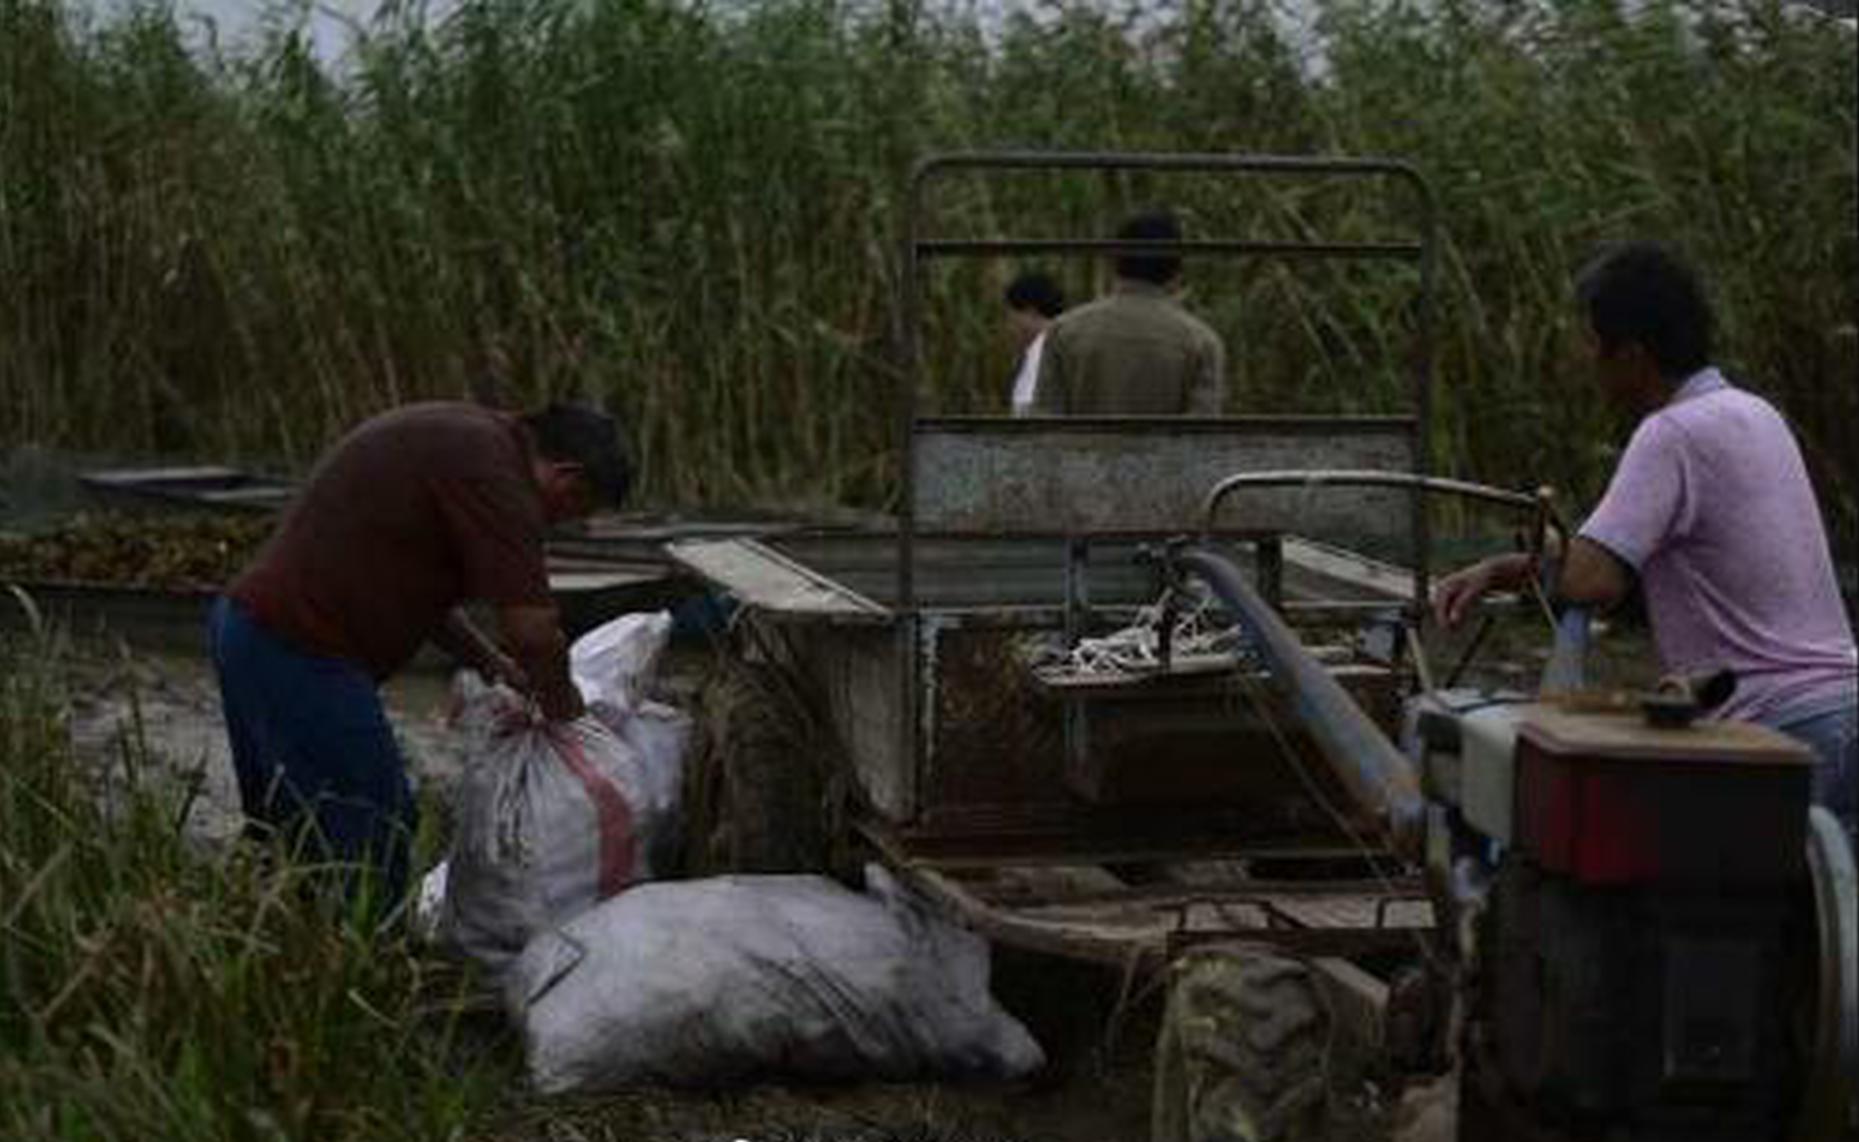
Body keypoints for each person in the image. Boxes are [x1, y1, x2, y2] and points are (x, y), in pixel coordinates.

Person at [1432, 241, 1856, 838]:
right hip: (1841, 709)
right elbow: (1617, 557)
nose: (1583, 360)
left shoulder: (1670, 433)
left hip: (1772, 727)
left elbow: (1591, 579)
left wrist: (1528, 564)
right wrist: (1506, 568)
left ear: (1630, 354)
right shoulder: (1754, 413)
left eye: (1588, 342)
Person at [209, 400, 631, 905]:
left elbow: (419, 591)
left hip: (252, 629)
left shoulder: (474, 442)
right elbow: (534, 631)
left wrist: (489, 662)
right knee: (374, 824)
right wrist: (565, 709)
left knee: (290, 825)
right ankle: (360, 966)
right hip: (298, 647)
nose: (557, 524)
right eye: (573, 511)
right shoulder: (499, 480)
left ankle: (276, 949)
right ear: (568, 477)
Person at [1031, 209, 1226, 415]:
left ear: (1114, 261)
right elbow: (1202, 439)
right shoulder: (1201, 342)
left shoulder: (1064, 331)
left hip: (1083, 448)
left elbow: (1045, 426)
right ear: (1177, 271)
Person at [1004, 269, 1065, 416]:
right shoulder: (1062, 342)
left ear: (1030, 313)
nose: (1009, 326)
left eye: (1011, 316)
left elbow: (1027, 415)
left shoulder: (1042, 353)